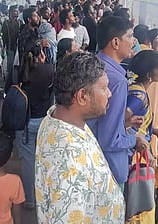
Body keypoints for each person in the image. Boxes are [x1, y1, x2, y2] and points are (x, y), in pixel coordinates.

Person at [35, 52, 125, 223]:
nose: (110, 94)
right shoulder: (70, 165)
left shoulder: (58, 116)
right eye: (104, 88)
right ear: (82, 96)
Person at [87, 16, 147, 190]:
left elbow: (99, 121)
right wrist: (134, 139)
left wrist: (122, 123)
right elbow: (110, 140)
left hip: (94, 162)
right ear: (115, 42)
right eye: (129, 36)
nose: (133, 41)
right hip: (110, 168)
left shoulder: (95, 65)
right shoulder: (117, 81)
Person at [16, 38, 54, 209]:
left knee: (28, 162)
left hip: (24, 122)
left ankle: (30, 199)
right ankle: (46, 197)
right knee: (45, 160)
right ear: (41, 54)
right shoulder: (48, 69)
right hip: (43, 122)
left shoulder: (19, 70)